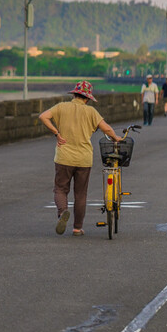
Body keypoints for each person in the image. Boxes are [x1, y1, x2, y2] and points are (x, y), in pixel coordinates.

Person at [39, 81, 123, 237]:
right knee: (81, 194)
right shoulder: (91, 112)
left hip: (64, 157)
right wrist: (116, 138)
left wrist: (56, 134)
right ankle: (77, 228)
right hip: (84, 159)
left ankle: (63, 212)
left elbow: (43, 117)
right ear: (87, 98)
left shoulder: (61, 107)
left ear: (74, 94)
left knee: (60, 189)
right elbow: (107, 128)